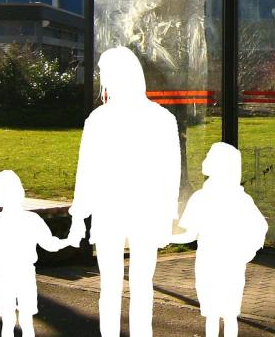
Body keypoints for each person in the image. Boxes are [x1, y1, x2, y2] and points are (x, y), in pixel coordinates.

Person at [66, 46, 181, 337]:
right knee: (139, 283)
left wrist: (80, 215)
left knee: (113, 284)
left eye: (104, 74)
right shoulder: (160, 118)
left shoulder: (101, 120)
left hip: (116, 210)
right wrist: (167, 215)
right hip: (138, 211)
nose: (102, 80)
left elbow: (87, 171)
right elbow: (170, 173)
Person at [172, 142, 268, 337]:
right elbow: (260, 228)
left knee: (215, 314)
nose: (205, 160)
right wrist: (244, 254)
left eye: (209, 156)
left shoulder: (202, 198)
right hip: (225, 262)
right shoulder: (240, 199)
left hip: (212, 261)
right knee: (227, 314)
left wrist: (164, 238)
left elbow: (190, 235)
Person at [0, 170, 68, 337]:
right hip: (25, 272)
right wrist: (68, 241)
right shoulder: (32, 219)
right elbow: (50, 245)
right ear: (20, 192)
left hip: (4, 274)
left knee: (8, 320)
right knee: (26, 320)